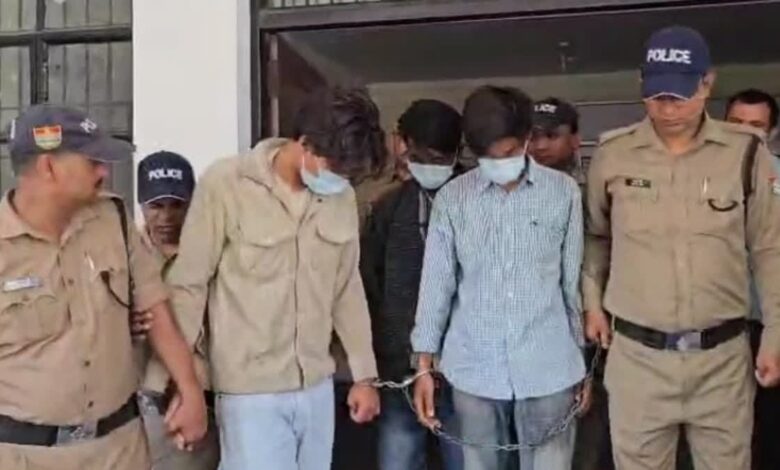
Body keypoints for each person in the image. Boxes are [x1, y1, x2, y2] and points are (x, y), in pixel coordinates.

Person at [583, 26, 780, 470]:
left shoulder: (746, 153)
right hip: (638, 361)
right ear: (642, 85)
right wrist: (592, 303)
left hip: (722, 362)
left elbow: (770, 248)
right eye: (657, 97)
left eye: (680, 96)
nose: (668, 109)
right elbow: (596, 236)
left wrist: (775, 334)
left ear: (707, 83)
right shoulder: (614, 154)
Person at [166, 87, 386, 470]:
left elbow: (347, 290)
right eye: (336, 169)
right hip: (251, 395)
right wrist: (178, 383)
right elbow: (189, 285)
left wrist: (365, 376)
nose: (341, 181)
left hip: (316, 386)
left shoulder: (341, 198)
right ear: (305, 143)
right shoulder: (227, 184)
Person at [0, 105, 206, 469]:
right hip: (27, 456)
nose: (104, 171)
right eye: (92, 161)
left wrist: (189, 390)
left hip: (119, 450)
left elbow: (155, 308)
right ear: (48, 167)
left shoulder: (112, 219)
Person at [411, 85, 587, 470]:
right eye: (486, 157)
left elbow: (571, 285)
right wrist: (423, 366)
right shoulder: (453, 199)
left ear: (525, 139)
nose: (497, 164)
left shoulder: (563, 193)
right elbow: (436, 285)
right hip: (473, 367)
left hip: (548, 364)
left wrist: (581, 362)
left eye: (506, 153)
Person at [362, 99, 464, 470]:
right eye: (424, 157)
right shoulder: (388, 208)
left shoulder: (477, 202)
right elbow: (370, 285)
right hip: (398, 369)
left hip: (465, 368)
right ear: (402, 145)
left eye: (442, 159)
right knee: (398, 459)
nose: (432, 167)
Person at [529, 97, 612, 470]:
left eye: (552, 135)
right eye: (533, 136)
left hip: (593, 329)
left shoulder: (594, 190)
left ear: (576, 139)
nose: (540, 145)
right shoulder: (512, 192)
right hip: (535, 335)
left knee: (589, 440)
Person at [135, 151, 220, 470]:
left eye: (177, 205)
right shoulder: (125, 255)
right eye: (156, 206)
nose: (166, 217)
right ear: (141, 204)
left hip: (206, 401)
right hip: (140, 403)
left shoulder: (214, 254)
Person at [725, 89, 780, 470]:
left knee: (768, 429)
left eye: (756, 125)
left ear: (772, 131)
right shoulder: (696, 176)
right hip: (714, 326)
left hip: (769, 323)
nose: (745, 132)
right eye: (736, 123)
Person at [530, 97, 586, 185]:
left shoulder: (597, 179)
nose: (541, 147)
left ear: (575, 140)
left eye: (551, 136)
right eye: (532, 138)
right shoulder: (511, 184)